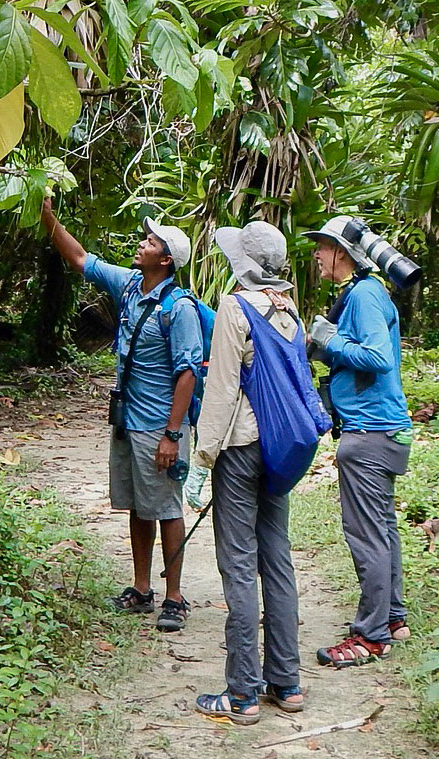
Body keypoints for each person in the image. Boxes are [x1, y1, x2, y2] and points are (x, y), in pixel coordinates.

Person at [40, 198, 202, 632]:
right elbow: (79, 259)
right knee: (137, 504)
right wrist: (48, 218)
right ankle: (141, 587)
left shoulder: (179, 308)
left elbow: (187, 372)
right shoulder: (131, 285)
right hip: (128, 419)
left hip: (159, 424)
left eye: (150, 242)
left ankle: (174, 597)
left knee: (166, 506)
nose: (142, 244)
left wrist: (172, 434)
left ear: (166, 260)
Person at [191, 221, 304, 725]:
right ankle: (287, 682)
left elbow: (220, 392)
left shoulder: (236, 308)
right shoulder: (290, 311)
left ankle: (242, 694)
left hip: (238, 451)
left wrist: (201, 461)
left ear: (244, 265)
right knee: (276, 560)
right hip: (280, 450)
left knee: (238, 565)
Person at [302, 215, 414, 667]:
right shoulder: (363, 293)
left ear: (343, 255)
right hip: (381, 430)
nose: (316, 254)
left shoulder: (365, 294)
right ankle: (393, 618)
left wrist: (330, 341)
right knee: (383, 529)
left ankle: (370, 637)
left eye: (323, 247)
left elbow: (376, 358)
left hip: (369, 433)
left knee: (366, 535)